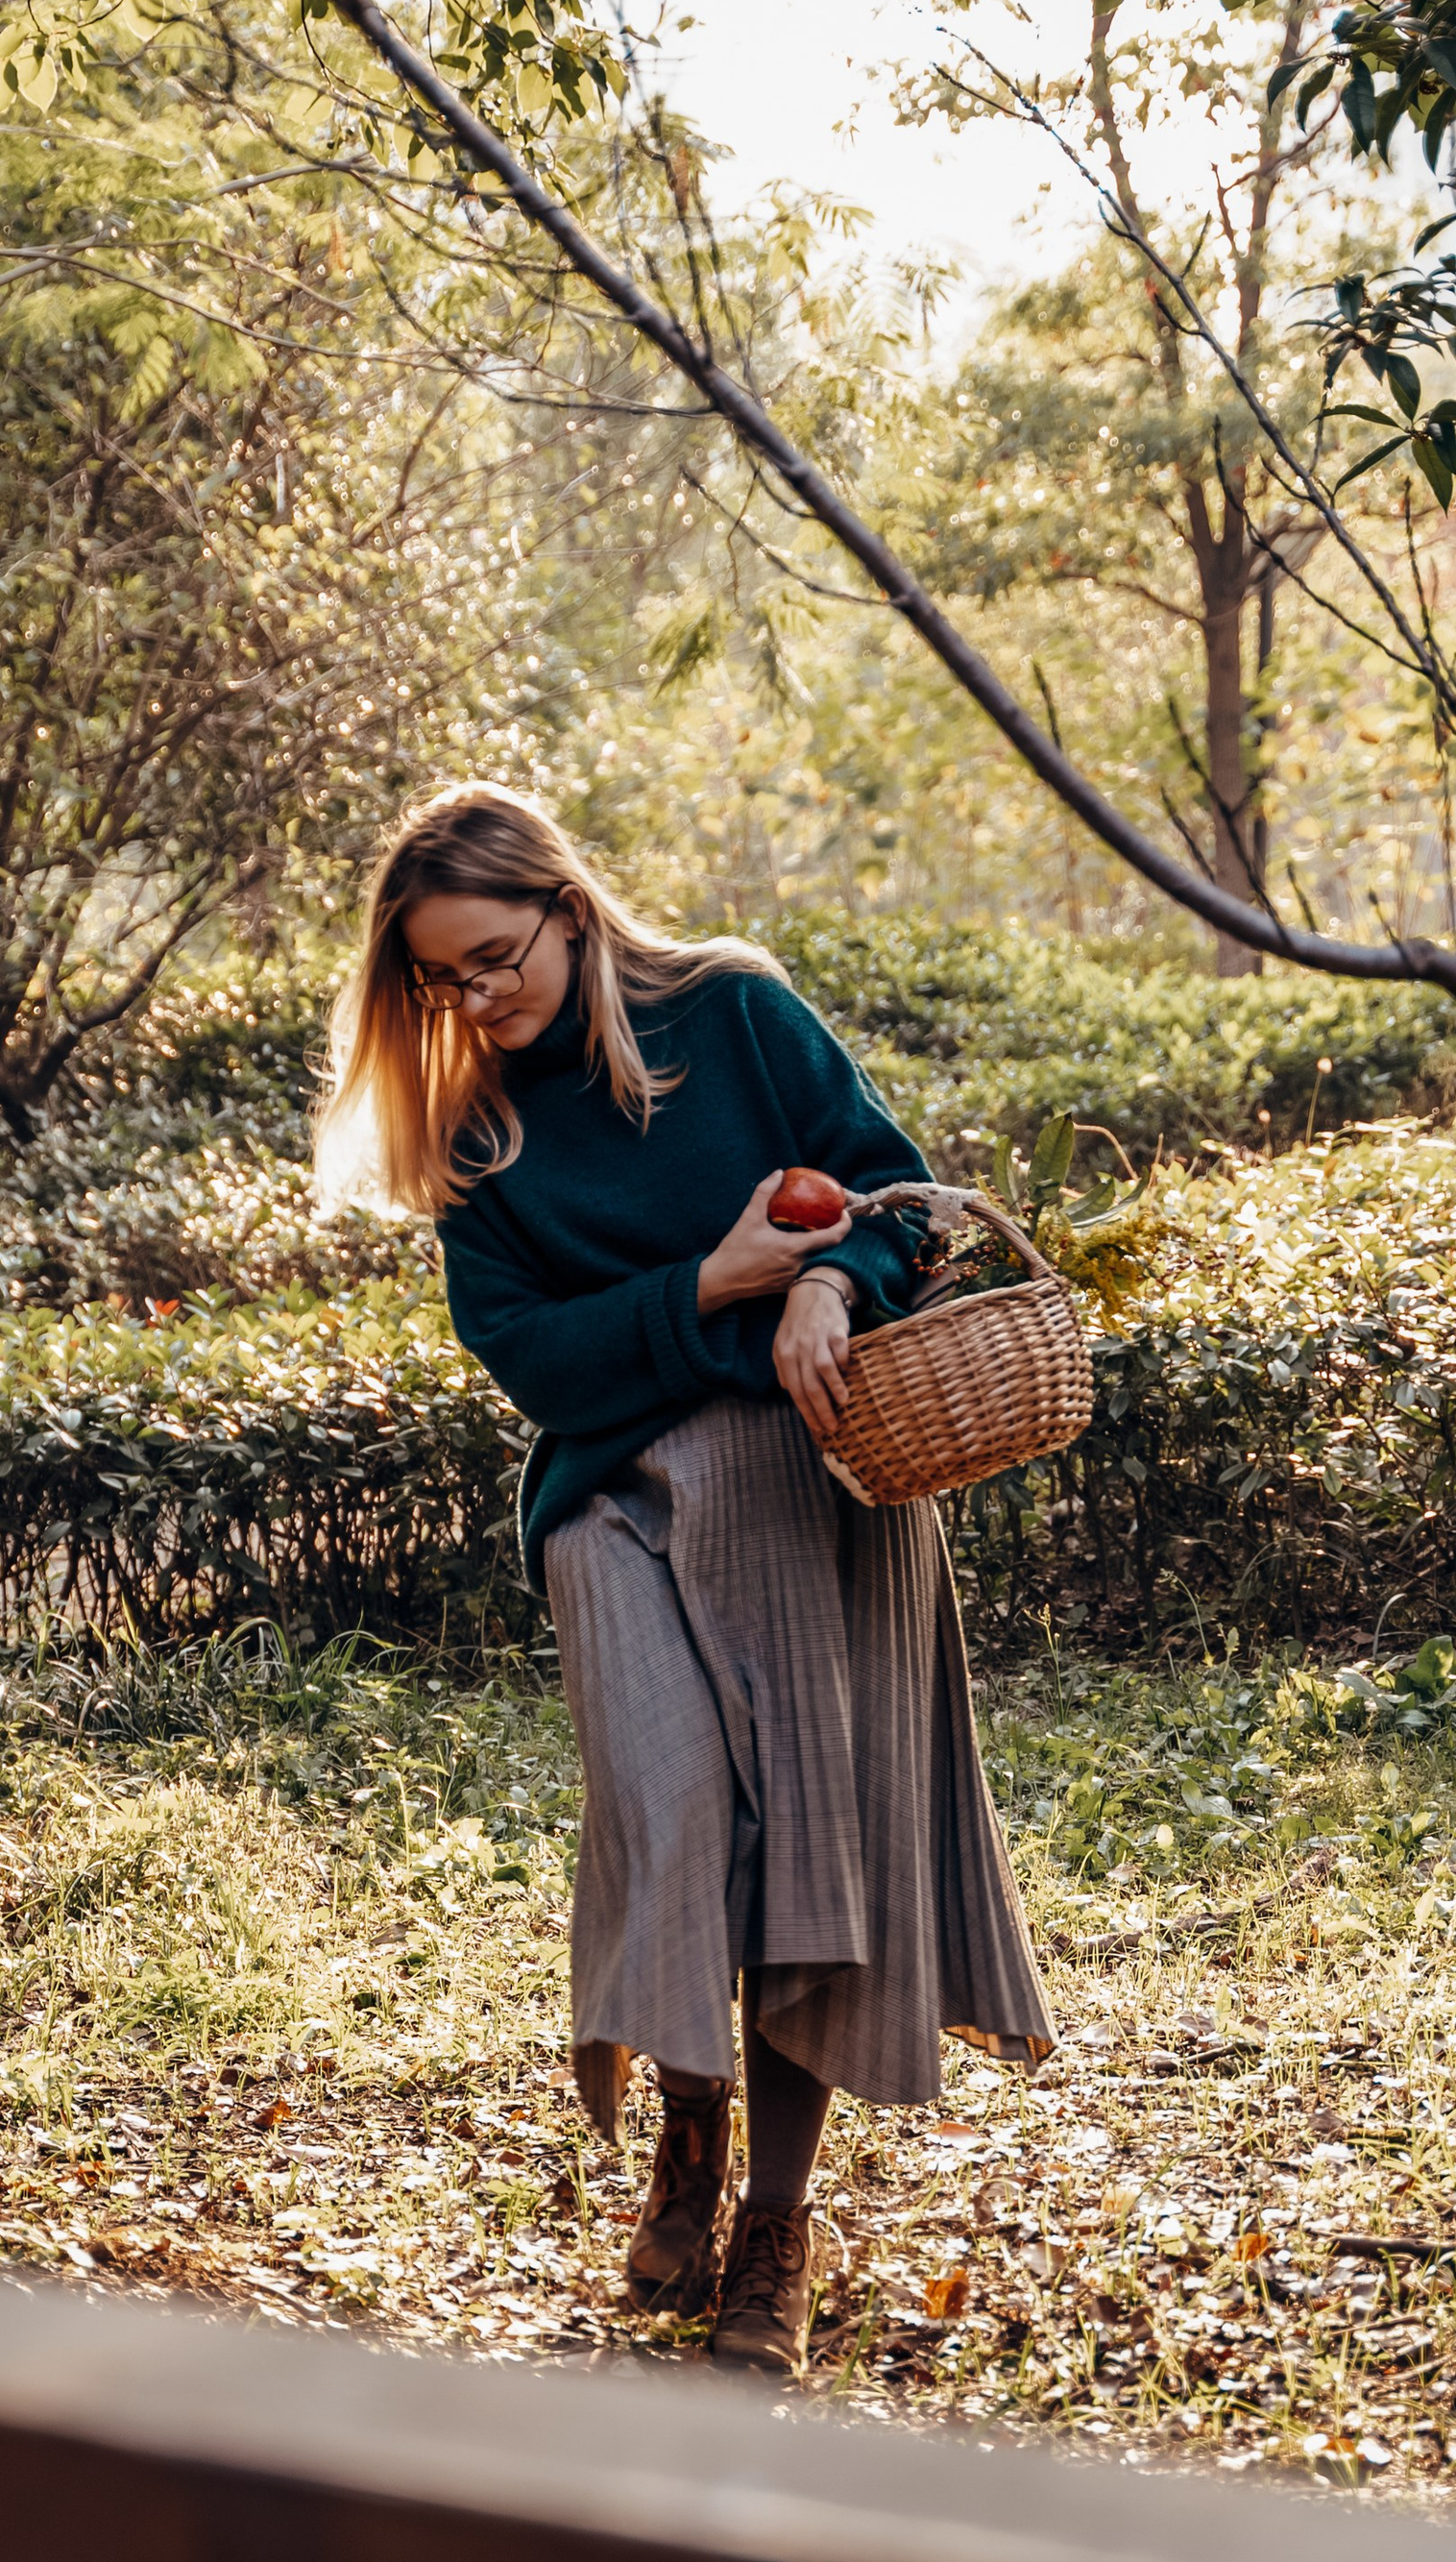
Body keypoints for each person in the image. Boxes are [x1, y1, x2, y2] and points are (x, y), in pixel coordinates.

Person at [319, 783, 1052, 2374]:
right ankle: (688, 2122)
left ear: (571, 912)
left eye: (494, 960)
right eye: (437, 980)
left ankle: (772, 2233)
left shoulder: (735, 1012)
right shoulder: (480, 1134)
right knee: (669, 1813)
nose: (473, 1000)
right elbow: (531, 1358)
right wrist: (708, 1284)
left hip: (801, 1487)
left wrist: (830, 1294)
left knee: (804, 1840)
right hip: (610, 1504)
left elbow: (893, 1195)